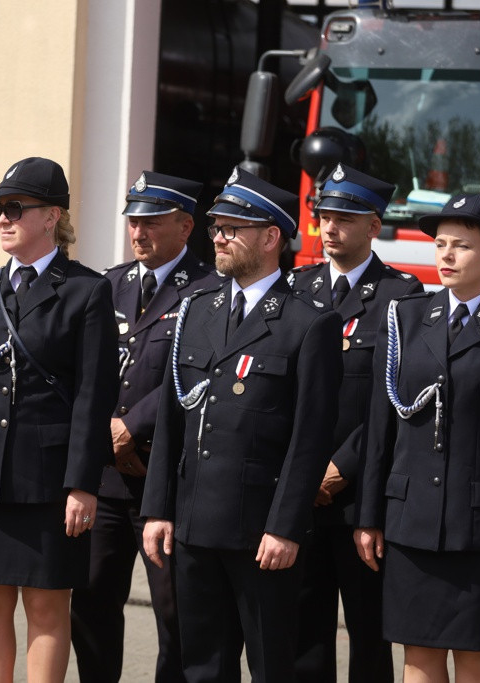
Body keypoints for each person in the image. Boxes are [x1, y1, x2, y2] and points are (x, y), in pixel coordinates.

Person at [141, 166, 342, 682]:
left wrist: (285, 525)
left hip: (261, 531)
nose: (219, 239)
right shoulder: (197, 309)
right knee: (202, 664)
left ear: (271, 237)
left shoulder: (308, 322)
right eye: (216, 228)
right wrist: (157, 510)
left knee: (272, 664)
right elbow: (171, 420)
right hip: (193, 522)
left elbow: (310, 437)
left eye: (232, 229)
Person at [0, 157, 119, 682]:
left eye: (15, 208)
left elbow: (94, 397)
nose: (3, 219)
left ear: (53, 215)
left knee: (47, 607)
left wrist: (83, 484)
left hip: (49, 478)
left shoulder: (86, 290)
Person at [355, 194, 480, 683]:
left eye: (461, 246)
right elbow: (381, 427)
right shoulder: (403, 318)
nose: (445, 255)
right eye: (440, 244)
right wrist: (369, 517)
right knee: (418, 656)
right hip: (410, 522)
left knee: (476, 658)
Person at [71, 171, 218, 683]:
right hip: (108, 479)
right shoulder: (109, 283)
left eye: (151, 222)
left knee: (175, 612)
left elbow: (199, 374)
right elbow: (86, 369)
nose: (138, 233)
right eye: (134, 222)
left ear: (185, 226)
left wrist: (133, 424)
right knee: (90, 601)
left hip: (167, 479)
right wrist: (108, 430)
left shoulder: (210, 291)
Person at [290, 164, 421, 683]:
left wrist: (341, 466)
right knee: (303, 634)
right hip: (300, 493)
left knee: (370, 635)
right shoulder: (296, 287)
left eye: (345, 217)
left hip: (361, 495)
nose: (331, 227)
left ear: (374, 225)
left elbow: (394, 400)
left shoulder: (402, 296)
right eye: (325, 216)